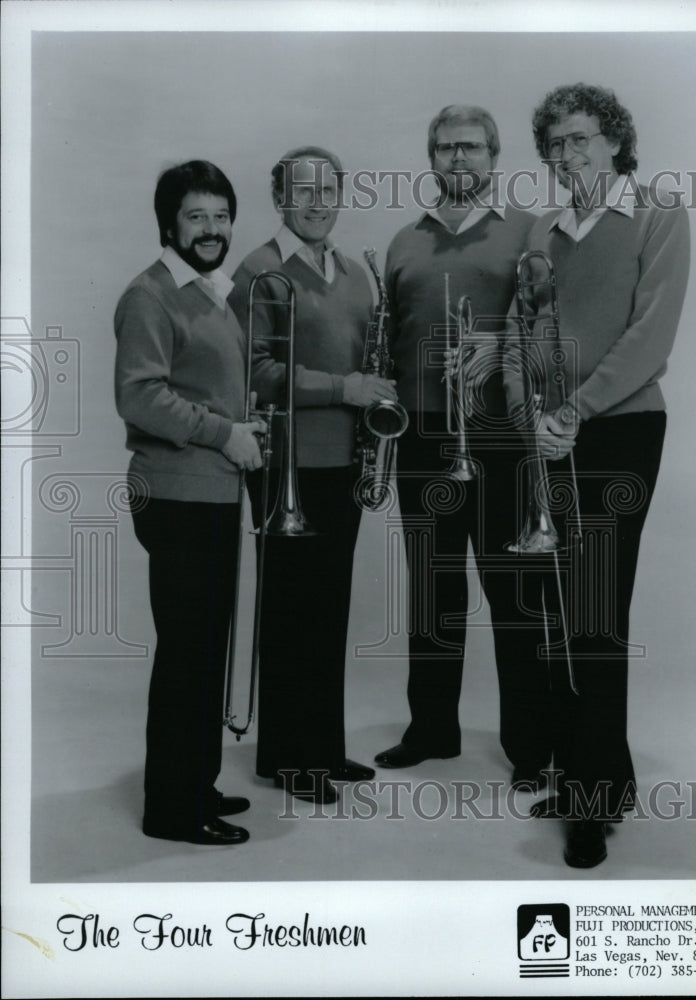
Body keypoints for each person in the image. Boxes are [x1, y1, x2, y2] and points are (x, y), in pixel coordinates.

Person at [504, 83, 690, 867]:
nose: (567, 154)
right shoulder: (542, 230)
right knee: (560, 609)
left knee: (595, 609)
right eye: (555, 143)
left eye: (581, 139)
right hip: (550, 435)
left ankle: (588, 803)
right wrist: (528, 415)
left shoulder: (657, 213)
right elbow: (518, 332)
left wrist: (572, 409)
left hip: (618, 431)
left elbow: (651, 336)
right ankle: (601, 776)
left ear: (615, 142)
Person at [374, 105, 539, 782]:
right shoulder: (402, 242)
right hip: (422, 436)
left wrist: (502, 342)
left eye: (469, 147)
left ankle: (530, 745)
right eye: (444, 148)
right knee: (431, 591)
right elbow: (386, 343)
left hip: (500, 433)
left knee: (514, 591)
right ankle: (432, 728)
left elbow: (552, 325)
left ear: (494, 156)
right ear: (430, 158)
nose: (457, 159)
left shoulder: (528, 234)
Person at [229, 147, 397, 804]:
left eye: (329, 190)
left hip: (342, 466)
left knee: (327, 611)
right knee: (290, 613)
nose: (317, 202)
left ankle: (321, 748)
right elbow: (256, 373)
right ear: (279, 197)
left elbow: (370, 366)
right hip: (284, 466)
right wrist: (344, 387)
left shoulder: (356, 274)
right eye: (303, 191)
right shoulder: (259, 271)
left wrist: (375, 394)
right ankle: (288, 758)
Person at [115, 160, 265, 845]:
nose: (212, 229)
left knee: (203, 648)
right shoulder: (150, 295)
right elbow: (140, 395)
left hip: (208, 490)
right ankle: (171, 810)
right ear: (168, 224)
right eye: (197, 216)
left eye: (221, 216)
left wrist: (241, 423)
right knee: (187, 652)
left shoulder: (209, 292)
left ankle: (194, 785)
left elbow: (203, 390)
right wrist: (223, 432)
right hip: (175, 495)